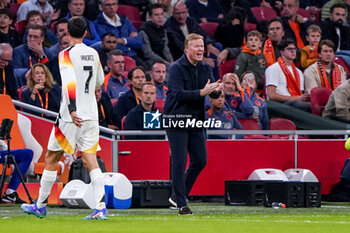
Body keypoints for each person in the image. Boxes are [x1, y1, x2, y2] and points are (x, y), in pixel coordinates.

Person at [21, 17, 107, 220]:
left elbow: (68, 82)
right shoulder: (93, 53)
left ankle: (40, 205)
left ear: (67, 32)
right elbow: (99, 82)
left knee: (52, 157)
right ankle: (101, 208)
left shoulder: (65, 54)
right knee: (90, 160)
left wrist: (73, 109)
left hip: (70, 117)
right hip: (91, 116)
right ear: (86, 33)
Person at [164, 33, 221, 215]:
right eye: (196, 46)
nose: (200, 50)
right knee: (179, 162)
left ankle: (178, 195)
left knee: (200, 160)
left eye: (202, 46)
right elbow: (177, 93)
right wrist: (201, 92)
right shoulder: (176, 68)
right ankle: (182, 203)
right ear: (187, 48)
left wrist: (215, 91)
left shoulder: (205, 67)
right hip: (176, 118)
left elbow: (210, 93)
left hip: (196, 119)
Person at [94, 0, 144, 67]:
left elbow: (139, 42)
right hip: (114, 58)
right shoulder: (98, 24)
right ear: (102, 7)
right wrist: (130, 41)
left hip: (132, 55)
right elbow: (110, 45)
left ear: (117, 6)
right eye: (108, 5)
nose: (111, 7)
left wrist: (123, 40)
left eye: (114, 4)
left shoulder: (125, 20)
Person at [265, 39, 311, 112]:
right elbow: (271, 95)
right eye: (289, 49)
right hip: (279, 104)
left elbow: (300, 93)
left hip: (295, 102)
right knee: (310, 107)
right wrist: (296, 98)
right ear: (282, 52)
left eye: (294, 49)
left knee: (315, 105)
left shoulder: (298, 72)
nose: (293, 51)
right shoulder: (273, 68)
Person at [139, 3, 173, 70]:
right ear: (150, 17)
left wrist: (171, 61)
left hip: (160, 59)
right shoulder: (143, 31)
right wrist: (164, 62)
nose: (160, 17)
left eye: (161, 14)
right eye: (156, 15)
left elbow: (165, 48)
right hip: (148, 61)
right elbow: (148, 54)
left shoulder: (163, 29)